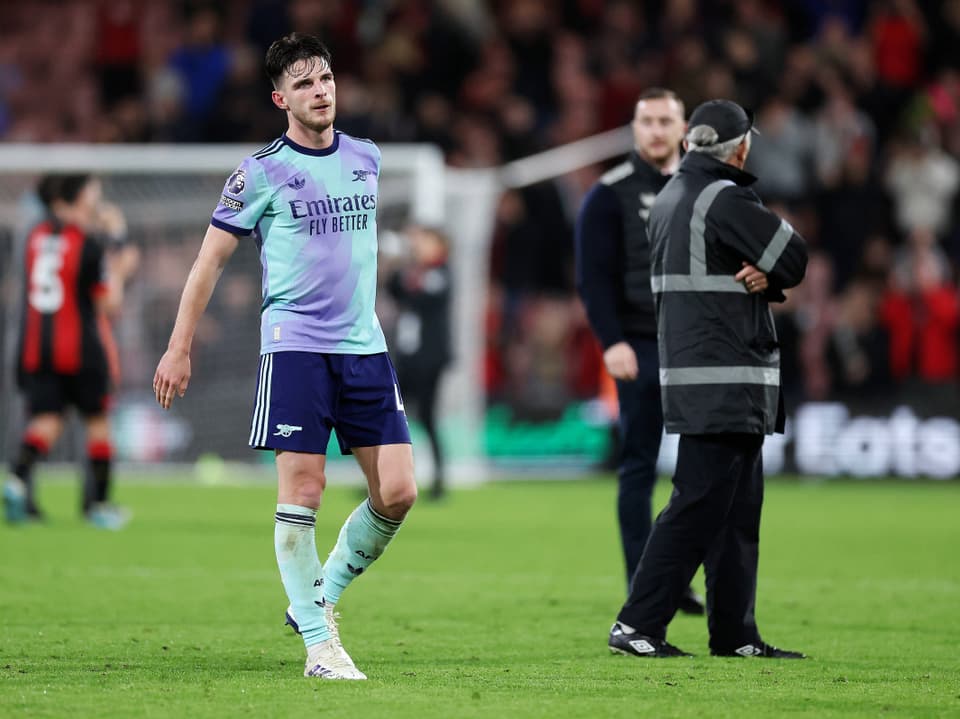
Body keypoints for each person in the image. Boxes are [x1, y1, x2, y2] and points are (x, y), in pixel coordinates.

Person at [152, 33, 417, 681]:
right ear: (281, 98)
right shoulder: (260, 171)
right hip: (296, 348)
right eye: (303, 84)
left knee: (400, 493)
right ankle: (321, 647)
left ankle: (317, 594)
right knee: (305, 488)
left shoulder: (367, 157)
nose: (319, 90)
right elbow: (209, 261)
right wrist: (178, 345)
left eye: (324, 78)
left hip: (365, 348)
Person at [607, 99, 808, 659]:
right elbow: (794, 255)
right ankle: (637, 623)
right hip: (725, 376)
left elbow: (739, 269)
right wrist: (771, 272)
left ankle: (735, 634)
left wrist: (763, 276)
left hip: (706, 374)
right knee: (697, 506)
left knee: (734, 513)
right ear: (741, 147)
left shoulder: (674, 195)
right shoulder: (725, 196)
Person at [574, 88, 704, 615]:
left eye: (664, 120)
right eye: (646, 121)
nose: (655, 130)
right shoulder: (610, 193)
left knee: (703, 475)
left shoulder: (703, 189)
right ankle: (645, 585)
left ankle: (684, 581)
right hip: (640, 346)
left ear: (684, 128)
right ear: (633, 128)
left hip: (697, 348)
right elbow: (593, 278)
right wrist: (612, 342)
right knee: (639, 468)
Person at [4, 174, 137, 529]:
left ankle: (16, 480)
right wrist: (119, 261)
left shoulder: (33, 236)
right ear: (71, 201)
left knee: (46, 420)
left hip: (35, 346)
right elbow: (108, 304)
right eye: (90, 196)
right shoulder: (88, 244)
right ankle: (99, 505)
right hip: (81, 348)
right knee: (97, 422)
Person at [386, 226, 453, 500]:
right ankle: (384, 479)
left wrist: (407, 265)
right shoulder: (415, 273)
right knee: (390, 415)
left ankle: (438, 481)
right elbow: (394, 288)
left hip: (430, 359)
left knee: (427, 416)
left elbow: (420, 296)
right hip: (407, 356)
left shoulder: (441, 274)